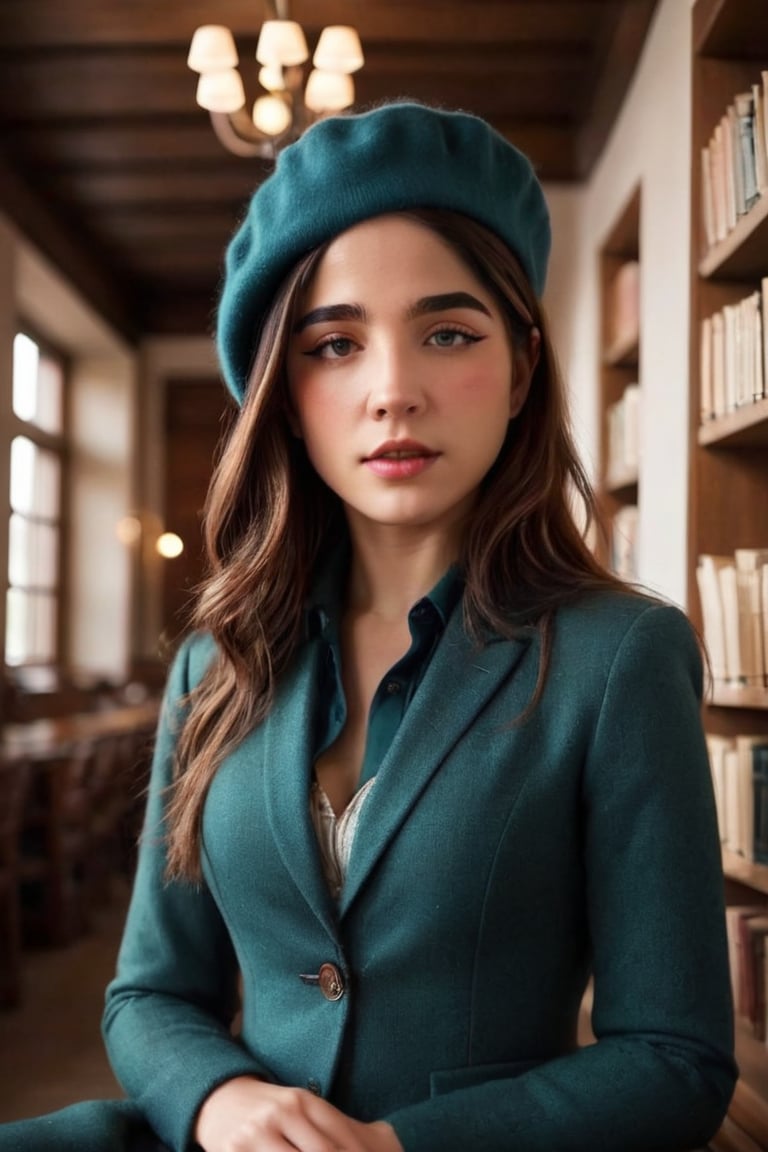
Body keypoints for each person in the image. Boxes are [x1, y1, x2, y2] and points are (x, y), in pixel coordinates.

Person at [0, 100, 736, 1152]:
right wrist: (219, 1101)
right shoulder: (215, 663)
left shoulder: (621, 657)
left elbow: (674, 1060)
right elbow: (149, 996)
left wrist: (395, 1147)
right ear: (285, 395)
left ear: (524, 366)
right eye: (335, 344)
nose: (394, 392)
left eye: (447, 333)